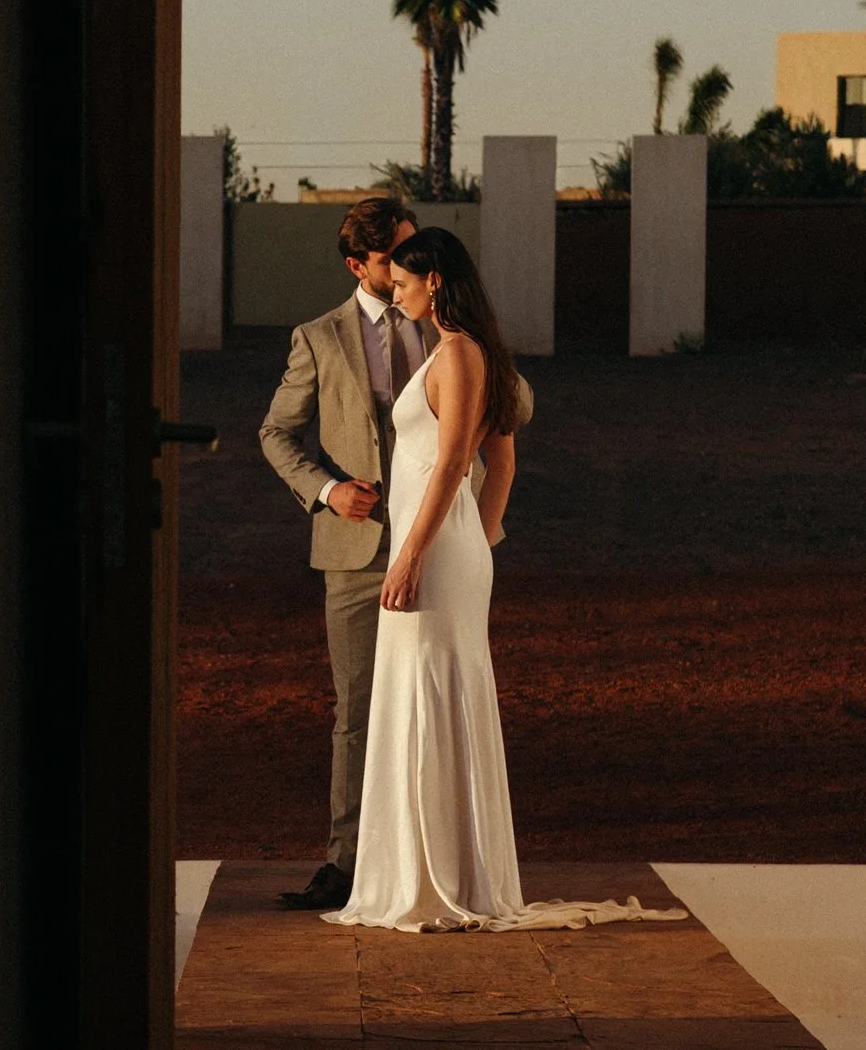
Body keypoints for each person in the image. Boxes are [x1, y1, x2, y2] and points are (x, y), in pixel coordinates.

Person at [325, 226, 653, 936]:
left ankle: (438, 880)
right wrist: (477, 538)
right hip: (447, 545)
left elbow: (454, 464)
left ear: (434, 282)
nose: (396, 294)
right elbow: (498, 464)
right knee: (422, 692)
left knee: (431, 693)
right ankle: (427, 871)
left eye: (403, 284)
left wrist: (420, 553)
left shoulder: (461, 354)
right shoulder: (465, 352)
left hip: (433, 550)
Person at [259, 196, 523, 910]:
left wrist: (478, 534)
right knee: (361, 710)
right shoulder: (319, 337)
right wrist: (327, 491)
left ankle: (438, 864)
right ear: (359, 266)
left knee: (438, 694)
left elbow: (508, 414)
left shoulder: (451, 332)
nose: (406, 263)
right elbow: (276, 434)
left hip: (437, 544)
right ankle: (352, 864)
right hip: (354, 548)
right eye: (391, 258)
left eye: (413, 249)